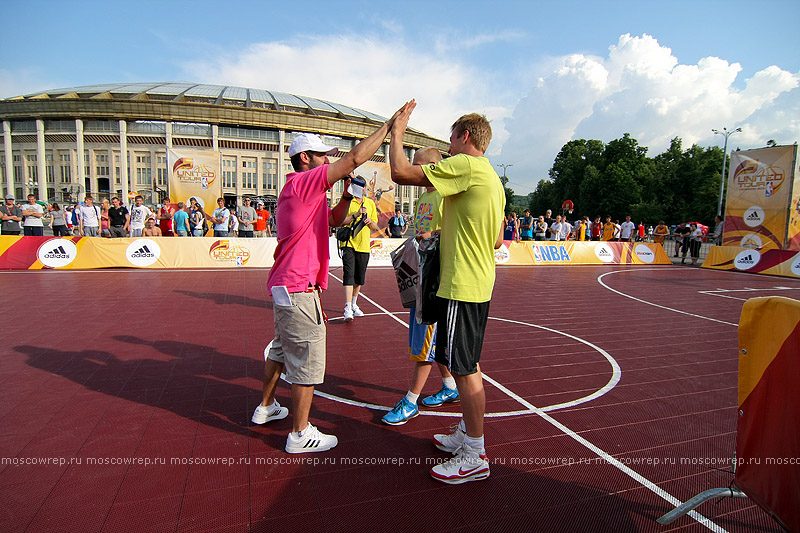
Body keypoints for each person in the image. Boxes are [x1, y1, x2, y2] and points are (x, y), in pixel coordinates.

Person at [252, 104, 408, 454]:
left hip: (285, 285)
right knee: (307, 359)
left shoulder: (303, 192)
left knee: (280, 349)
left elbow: (334, 220)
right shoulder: (305, 182)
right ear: (305, 158)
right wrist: (388, 126)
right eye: (323, 156)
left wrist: (348, 199)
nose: (328, 161)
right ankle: (300, 432)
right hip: (298, 286)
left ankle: (266, 407)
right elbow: (353, 159)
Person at [390, 104, 504, 484]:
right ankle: (468, 436)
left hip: (462, 284)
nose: (449, 147)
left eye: (451, 138)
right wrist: (442, 234)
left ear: (465, 137)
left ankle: (475, 453)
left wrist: (397, 132)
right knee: (464, 363)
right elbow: (496, 236)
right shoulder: (490, 177)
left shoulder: (466, 166)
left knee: (465, 369)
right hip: (475, 281)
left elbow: (400, 172)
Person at [382, 147, 459, 426]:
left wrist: (434, 234)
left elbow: (455, 230)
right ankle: (450, 386)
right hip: (421, 272)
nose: (414, 170)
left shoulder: (447, 195)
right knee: (433, 338)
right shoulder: (424, 196)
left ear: (434, 166)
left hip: (435, 279)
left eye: (418, 165)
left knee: (424, 341)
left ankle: (411, 401)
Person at [340, 174, 380, 322]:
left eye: (362, 186)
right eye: (357, 186)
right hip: (348, 243)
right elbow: (339, 221)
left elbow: (375, 226)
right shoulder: (347, 202)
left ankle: (354, 304)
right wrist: (355, 215)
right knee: (348, 274)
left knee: (359, 277)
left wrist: (369, 222)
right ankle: (347, 307)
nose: (361, 189)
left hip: (364, 245)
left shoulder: (369, 203)